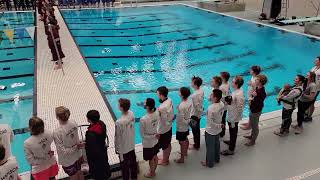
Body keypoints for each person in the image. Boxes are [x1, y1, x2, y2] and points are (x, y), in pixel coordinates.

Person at [53, 106, 84, 180]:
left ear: (57, 117)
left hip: (68, 161)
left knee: (74, 177)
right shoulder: (73, 122)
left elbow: (63, 151)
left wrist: (75, 147)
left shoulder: (57, 132)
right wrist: (77, 146)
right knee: (80, 173)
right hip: (79, 155)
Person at [221, 76, 245, 156]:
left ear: (236, 84)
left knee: (233, 132)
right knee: (232, 131)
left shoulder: (239, 94)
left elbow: (240, 108)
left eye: (233, 82)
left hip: (234, 118)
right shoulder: (236, 91)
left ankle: (231, 150)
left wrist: (234, 120)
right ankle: (231, 141)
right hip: (231, 115)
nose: (231, 82)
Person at [115, 99, 138, 180]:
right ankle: (134, 178)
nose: (117, 105)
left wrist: (116, 148)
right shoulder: (131, 113)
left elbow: (117, 137)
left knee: (124, 167)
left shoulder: (119, 122)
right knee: (133, 164)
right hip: (131, 144)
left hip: (123, 149)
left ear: (121, 108)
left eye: (118, 104)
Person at [201, 89, 224, 168]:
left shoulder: (211, 108)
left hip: (210, 130)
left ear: (215, 98)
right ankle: (217, 159)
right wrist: (219, 125)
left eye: (211, 94)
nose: (210, 95)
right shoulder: (221, 104)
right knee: (217, 144)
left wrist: (218, 125)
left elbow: (210, 122)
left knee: (210, 147)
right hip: (218, 130)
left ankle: (209, 163)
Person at [85, 110, 111, 180]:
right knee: (104, 168)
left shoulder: (90, 134)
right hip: (103, 151)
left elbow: (91, 149)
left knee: (98, 173)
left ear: (89, 120)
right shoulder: (102, 124)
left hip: (96, 158)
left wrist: (85, 144)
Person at [244, 74, 267, 146]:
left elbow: (260, 101)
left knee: (255, 126)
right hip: (253, 109)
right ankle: (251, 136)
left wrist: (255, 97)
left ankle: (253, 141)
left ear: (260, 82)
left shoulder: (261, 92)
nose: (255, 80)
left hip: (256, 111)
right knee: (252, 123)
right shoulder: (258, 87)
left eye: (256, 79)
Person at [139, 98, 160, 178]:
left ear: (147, 107)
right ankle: (154, 170)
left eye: (144, 103)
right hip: (156, 140)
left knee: (151, 159)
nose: (143, 103)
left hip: (148, 143)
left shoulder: (143, 119)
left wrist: (153, 135)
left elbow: (142, 135)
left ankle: (152, 173)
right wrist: (155, 134)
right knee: (155, 156)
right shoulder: (157, 113)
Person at [156, 86, 174, 166]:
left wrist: (158, 111)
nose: (157, 95)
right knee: (167, 144)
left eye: (157, 94)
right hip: (169, 127)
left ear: (161, 95)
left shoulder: (162, 107)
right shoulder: (169, 99)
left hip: (163, 130)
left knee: (165, 146)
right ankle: (166, 158)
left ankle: (165, 161)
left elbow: (162, 120)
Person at [241, 65, 261, 130]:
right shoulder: (253, 76)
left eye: (251, 70)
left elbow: (257, 89)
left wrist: (251, 84)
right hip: (250, 96)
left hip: (252, 98)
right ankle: (249, 123)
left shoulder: (256, 79)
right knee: (250, 111)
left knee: (251, 111)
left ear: (254, 72)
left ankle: (249, 126)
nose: (249, 70)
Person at [175, 87, 192, 163]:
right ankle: (185, 152)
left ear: (182, 94)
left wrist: (179, 109)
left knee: (181, 142)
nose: (178, 92)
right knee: (185, 138)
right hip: (186, 125)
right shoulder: (189, 101)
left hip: (181, 127)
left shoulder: (182, 106)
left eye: (179, 91)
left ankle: (182, 158)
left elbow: (181, 119)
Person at [189, 76, 204, 151]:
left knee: (195, 130)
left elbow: (197, 106)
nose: (191, 83)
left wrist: (199, 111)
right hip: (198, 115)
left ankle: (196, 145)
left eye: (192, 82)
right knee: (196, 129)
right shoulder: (201, 91)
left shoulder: (194, 95)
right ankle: (196, 143)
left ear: (195, 84)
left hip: (194, 115)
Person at [305, 56, 320, 122]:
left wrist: (315, 89)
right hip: (309, 87)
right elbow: (309, 76)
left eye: (316, 60)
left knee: (311, 103)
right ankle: (306, 113)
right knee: (308, 101)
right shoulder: (314, 68)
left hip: (315, 89)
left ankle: (309, 116)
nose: (314, 61)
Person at [219, 72, 230, 138]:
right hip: (225, 106)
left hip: (221, 107)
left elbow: (221, 97)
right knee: (223, 119)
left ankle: (221, 132)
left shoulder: (221, 87)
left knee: (220, 119)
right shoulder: (228, 83)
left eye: (220, 76)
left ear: (223, 78)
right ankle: (222, 132)